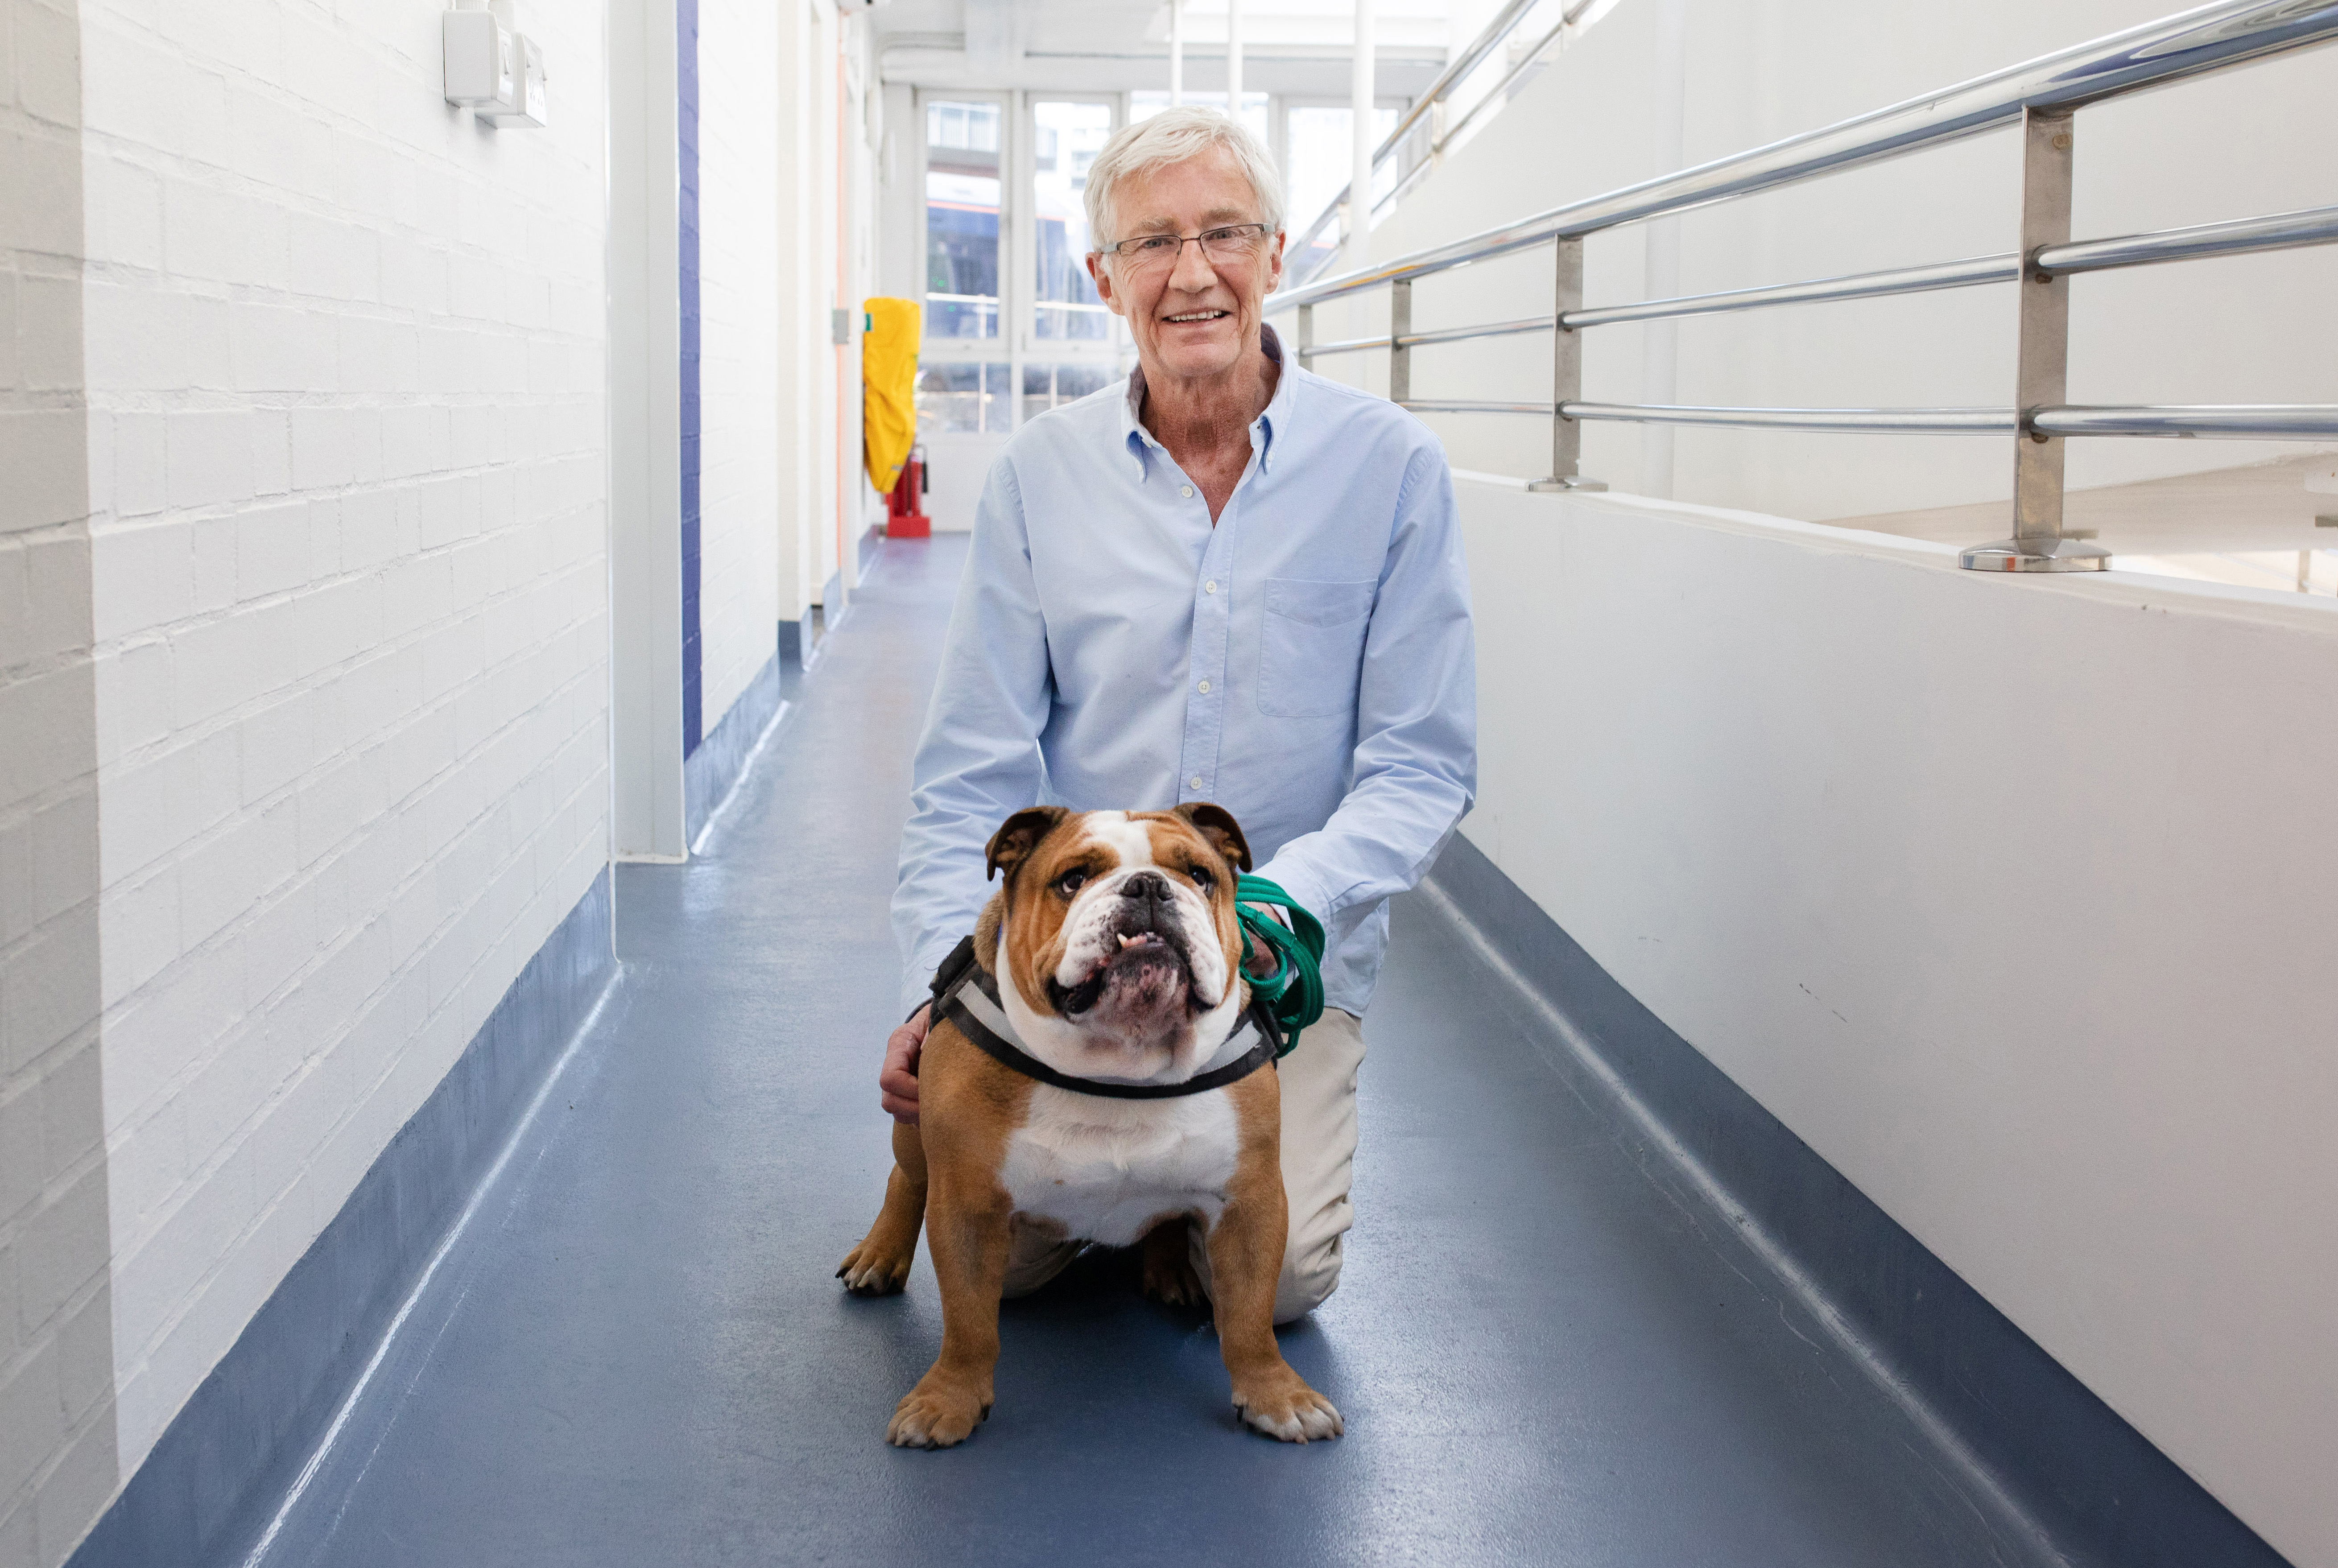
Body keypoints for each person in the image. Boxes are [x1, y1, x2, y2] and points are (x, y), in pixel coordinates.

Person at [884, 106, 1476, 1322]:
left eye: (1223, 234)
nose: (1191, 273)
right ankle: (1128, 1194)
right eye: (1153, 243)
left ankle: (1161, 1203)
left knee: (1281, 1283)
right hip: (1067, 956)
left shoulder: (1392, 468)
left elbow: (1420, 763)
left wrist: (1277, 902)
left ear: (1275, 255)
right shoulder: (1038, 478)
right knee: (1012, 1255)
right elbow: (969, 770)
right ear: (1104, 279)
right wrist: (943, 984)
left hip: (1277, 962)